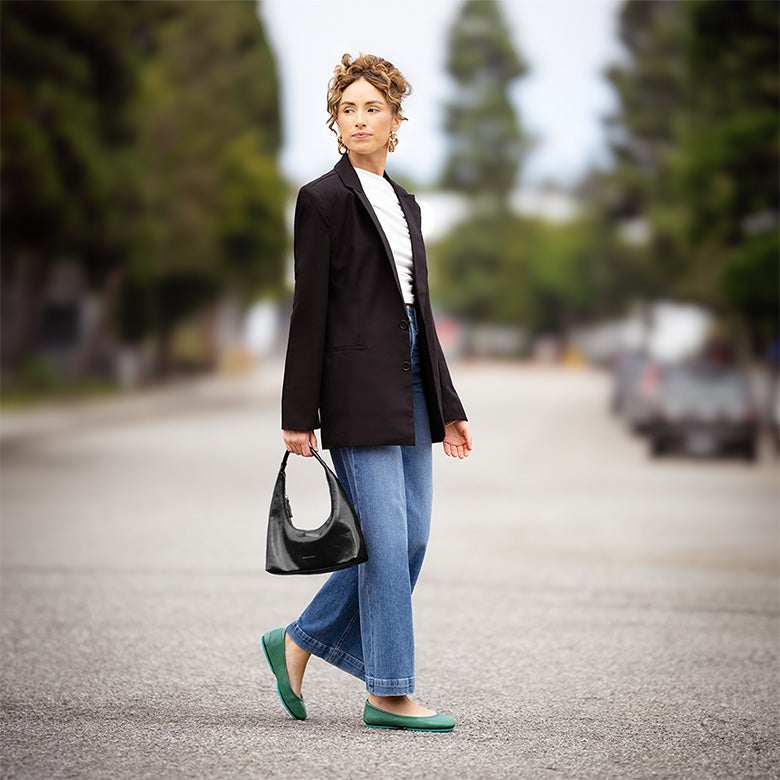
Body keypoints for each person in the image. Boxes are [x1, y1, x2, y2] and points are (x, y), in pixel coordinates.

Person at [261, 52, 472, 733]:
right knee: (382, 540)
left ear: (395, 121)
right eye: (347, 108)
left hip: (411, 378)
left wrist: (449, 407)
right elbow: (309, 309)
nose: (358, 119)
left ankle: (297, 639)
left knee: (408, 541)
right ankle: (388, 692)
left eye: (371, 108)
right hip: (354, 386)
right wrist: (299, 413)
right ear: (335, 120)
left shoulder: (407, 203)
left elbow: (420, 311)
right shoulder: (322, 200)